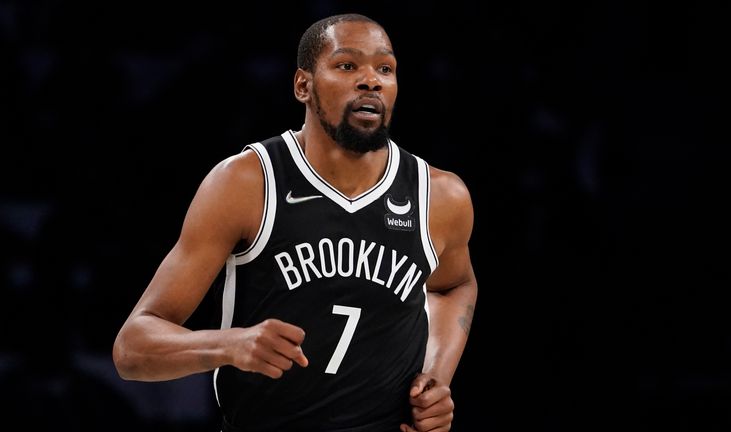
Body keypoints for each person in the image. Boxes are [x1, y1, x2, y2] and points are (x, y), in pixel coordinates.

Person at [113, 13, 477, 432]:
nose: (371, 80)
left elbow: (454, 285)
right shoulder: (246, 182)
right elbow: (132, 349)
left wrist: (435, 378)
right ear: (303, 85)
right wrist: (229, 344)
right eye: (347, 65)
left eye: (385, 68)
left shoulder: (440, 196)